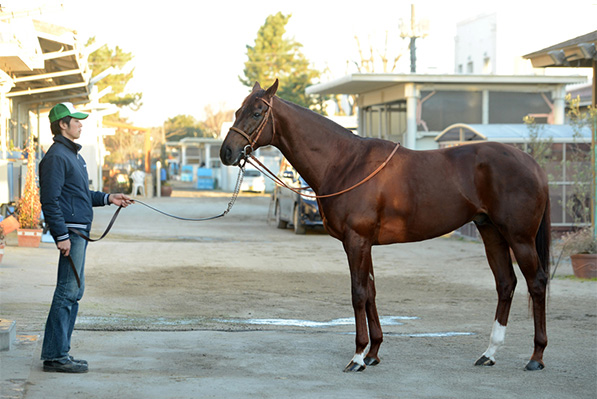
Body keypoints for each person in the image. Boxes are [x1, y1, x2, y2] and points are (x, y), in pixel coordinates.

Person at [39, 102, 133, 373]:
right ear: (62, 125)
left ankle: (59, 352)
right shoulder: (57, 156)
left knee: (74, 292)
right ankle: (55, 356)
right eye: (76, 121)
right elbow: (50, 200)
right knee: (67, 292)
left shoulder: (73, 156)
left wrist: (108, 198)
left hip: (78, 231)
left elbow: (80, 195)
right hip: (71, 233)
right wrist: (61, 235)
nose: (81, 124)